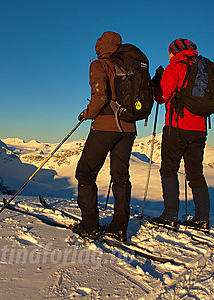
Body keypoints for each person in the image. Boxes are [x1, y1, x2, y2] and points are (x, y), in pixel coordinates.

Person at [72, 31, 138, 241]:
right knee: (120, 176)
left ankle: (90, 225)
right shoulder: (130, 66)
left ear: (102, 45)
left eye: (98, 42)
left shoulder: (99, 65)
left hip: (106, 127)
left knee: (85, 173)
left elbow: (100, 97)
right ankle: (120, 226)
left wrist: (87, 113)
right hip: (128, 128)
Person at [148, 38, 212, 231]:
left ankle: (170, 215)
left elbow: (162, 97)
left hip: (177, 126)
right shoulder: (205, 67)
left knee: (169, 170)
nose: (169, 55)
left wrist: (157, 81)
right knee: (195, 173)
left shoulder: (175, 67)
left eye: (170, 51)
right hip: (200, 128)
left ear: (175, 52)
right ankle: (202, 218)